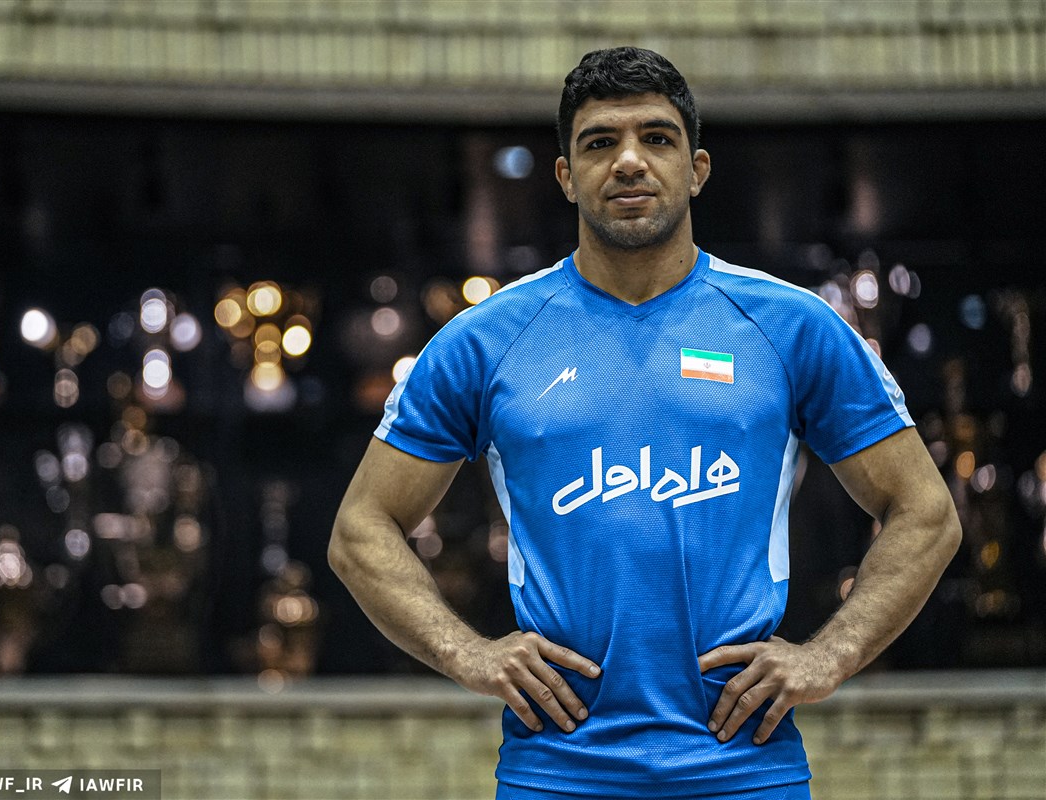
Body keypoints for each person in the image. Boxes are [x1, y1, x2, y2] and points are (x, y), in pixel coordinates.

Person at [328, 46, 961, 800]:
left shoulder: (791, 327)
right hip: (558, 773)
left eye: (656, 138)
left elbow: (926, 513)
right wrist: (467, 654)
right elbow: (360, 529)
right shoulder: (488, 340)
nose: (629, 161)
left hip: (743, 770)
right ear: (566, 176)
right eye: (600, 142)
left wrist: (830, 656)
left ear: (696, 169)